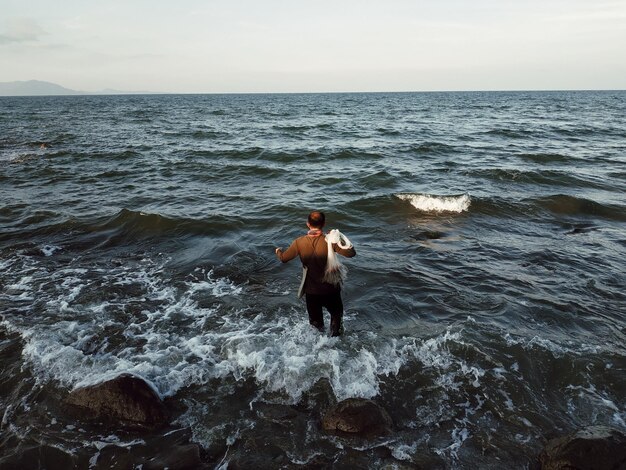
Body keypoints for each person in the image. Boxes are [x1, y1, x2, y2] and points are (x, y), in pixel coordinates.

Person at [275, 210, 356, 336]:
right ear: (323, 224)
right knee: (336, 320)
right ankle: (336, 347)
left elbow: (284, 259)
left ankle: (318, 350)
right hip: (331, 290)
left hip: (312, 292)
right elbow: (351, 253)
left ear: (308, 224)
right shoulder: (330, 241)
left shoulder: (299, 242)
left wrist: (278, 251)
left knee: (316, 328)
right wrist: (338, 236)